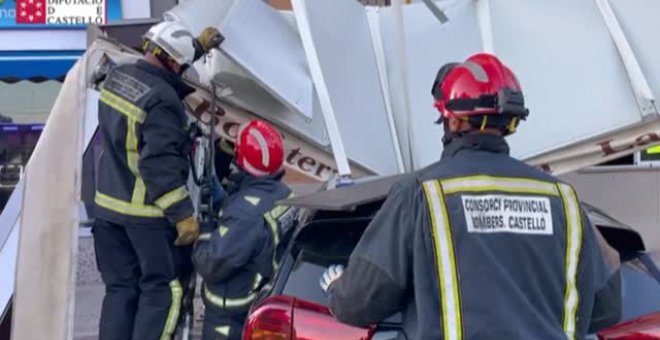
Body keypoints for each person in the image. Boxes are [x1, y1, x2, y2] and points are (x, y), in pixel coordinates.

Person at [319, 53, 622, 339]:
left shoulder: (421, 194)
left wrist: (337, 290)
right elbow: (607, 304)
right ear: (511, 121)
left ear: (454, 120)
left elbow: (361, 302)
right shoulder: (562, 199)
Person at [92, 21, 222, 340]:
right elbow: (158, 166)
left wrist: (197, 49)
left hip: (107, 209)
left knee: (120, 289)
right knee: (164, 289)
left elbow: (165, 64)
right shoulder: (164, 101)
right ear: (175, 62)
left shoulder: (116, 77)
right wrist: (183, 216)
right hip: (145, 216)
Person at [192, 120, 297, 340]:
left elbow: (210, 263)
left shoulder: (244, 216)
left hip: (227, 315)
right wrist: (227, 203)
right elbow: (253, 234)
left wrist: (207, 227)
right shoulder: (284, 194)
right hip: (255, 298)